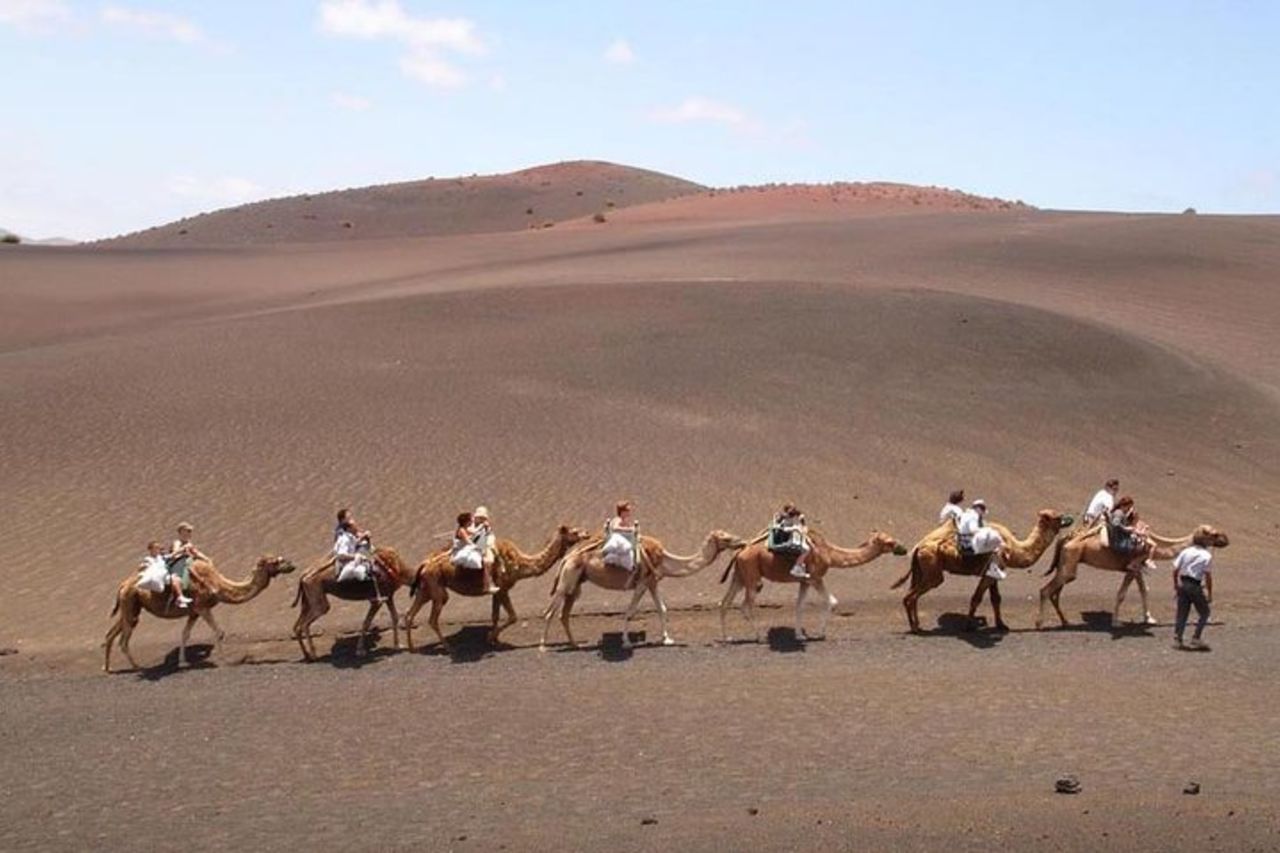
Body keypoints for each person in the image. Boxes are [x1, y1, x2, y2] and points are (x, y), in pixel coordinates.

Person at [1173, 531, 1217, 650]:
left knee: (1182, 613)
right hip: (1194, 585)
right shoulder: (1206, 556)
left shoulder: (1185, 551)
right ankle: (1196, 637)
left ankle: (1178, 638)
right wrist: (1209, 592)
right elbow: (1208, 576)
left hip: (1183, 583)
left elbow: (1175, 569)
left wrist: (1176, 584)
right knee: (1205, 613)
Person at [957, 499, 1008, 579]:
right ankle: (992, 569)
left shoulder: (965, 514)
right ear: (979, 509)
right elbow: (973, 529)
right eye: (982, 510)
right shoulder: (974, 516)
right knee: (996, 547)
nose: (982, 514)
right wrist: (986, 530)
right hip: (968, 545)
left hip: (961, 542)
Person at [139, 540, 191, 607]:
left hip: (163, 575)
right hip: (156, 575)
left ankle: (179, 597)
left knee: (175, 578)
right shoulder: (148, 559)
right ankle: (179, 598)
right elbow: (142, 567)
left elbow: (172, 555)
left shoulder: (161, 557)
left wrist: (183, 549)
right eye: (156, 548)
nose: (157, 550)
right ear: (150, 549)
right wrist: (144, 566)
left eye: (158, 548)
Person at [1107, 496, 1153, 572]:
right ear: (1124, 505)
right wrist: (1125, 528)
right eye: (1128, 507)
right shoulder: (1119, 513)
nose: (1129, 509)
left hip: (1121, 537)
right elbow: (1115, 524)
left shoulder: (1121, 513)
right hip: (1119, 541)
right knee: (1144, 549)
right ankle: (1132, 564)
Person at [166, 522, 209, 600]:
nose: (190, 533)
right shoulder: (177, 542)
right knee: (177, 578)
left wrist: (206, 559)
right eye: (188, 531)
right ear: (182, 531)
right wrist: (184, 549)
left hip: (187, 563)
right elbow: (175, 554)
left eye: (190, 531)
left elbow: (196, 553)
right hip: (177, 563)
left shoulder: (189, 543)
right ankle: (179, 597)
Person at [770, 504, 812, 580]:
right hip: (786, 540)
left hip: (792, 537)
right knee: (806, 550)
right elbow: (779, 527)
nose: (793, 511)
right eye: (791, 510)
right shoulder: (784, 518)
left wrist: (802, 523)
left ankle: (801, 566)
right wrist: (794, 528)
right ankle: (796, 568)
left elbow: (802, 523)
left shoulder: (792, 517)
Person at [601, 501, 640, 579]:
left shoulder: (625, 521)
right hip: (619, 542)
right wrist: (629, 529)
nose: (629, 513)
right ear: (622, 512)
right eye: (627, 511)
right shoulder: (618, 520)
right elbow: (615, 528)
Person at [333, 516, 374, 583]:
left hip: (357, 561)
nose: (356, 527)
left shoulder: (353, 537)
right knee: (360, 572)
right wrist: (355, 556)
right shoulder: (344, 539)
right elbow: (341, 555)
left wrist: (367, 539)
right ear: (349, 529)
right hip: (347, 564)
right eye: (354, 526)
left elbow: (368, 549)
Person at [471, 506, 500, 594]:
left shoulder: (485, 526)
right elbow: (474, 537)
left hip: (483, 546)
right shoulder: (472, 526)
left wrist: (486, 528)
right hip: (474, 548)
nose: (481, 520)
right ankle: (486, 585)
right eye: (480, 518)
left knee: (494, 555)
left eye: (483, 518)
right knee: (487, 562)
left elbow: (489, 535)